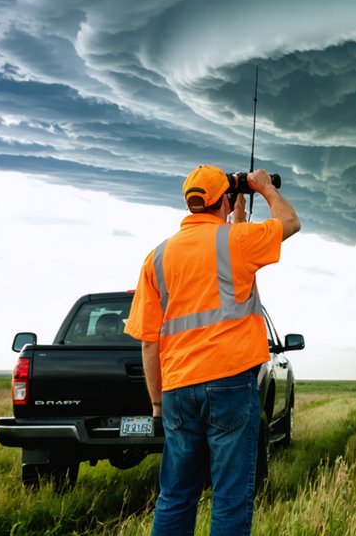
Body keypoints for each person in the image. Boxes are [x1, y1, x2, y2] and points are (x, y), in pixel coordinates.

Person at [124, 165, 300, 536]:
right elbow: (289, 222)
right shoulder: (237, 242)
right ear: (222, 201)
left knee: (175, 495)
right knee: (230, 497)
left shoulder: (157, 257)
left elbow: (149, 341)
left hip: (177, 390)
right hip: (230, 384)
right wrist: (264, 188)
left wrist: (156, 404)